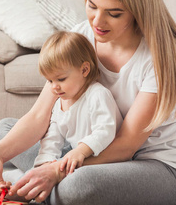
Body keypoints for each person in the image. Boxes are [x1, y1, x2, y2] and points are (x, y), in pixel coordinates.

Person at [0, 0, 176, 205]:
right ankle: (46, 184)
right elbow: (40, 114)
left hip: (160, 165)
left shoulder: (163, 57)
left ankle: (37, 185)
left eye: (114, 13)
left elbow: (126, 145)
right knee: (5, 131)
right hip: (91, 150)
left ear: (137, 11)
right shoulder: (82, 38)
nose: (98, 21)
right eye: (92, 5)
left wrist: (55, 170)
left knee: (79, 188)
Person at [32, 31, 122, 175]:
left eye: (61, 79)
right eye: (50, 81)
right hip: (75, 157)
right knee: (4, 128)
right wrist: (45, 162)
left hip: (102, 163)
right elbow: (51, 138)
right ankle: (27, 177)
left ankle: (23, 178)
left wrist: (80, 151)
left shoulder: (97, 95)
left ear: (84, 70)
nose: (54, 87)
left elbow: (105, 131)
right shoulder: (60, 102)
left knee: (74, 184)